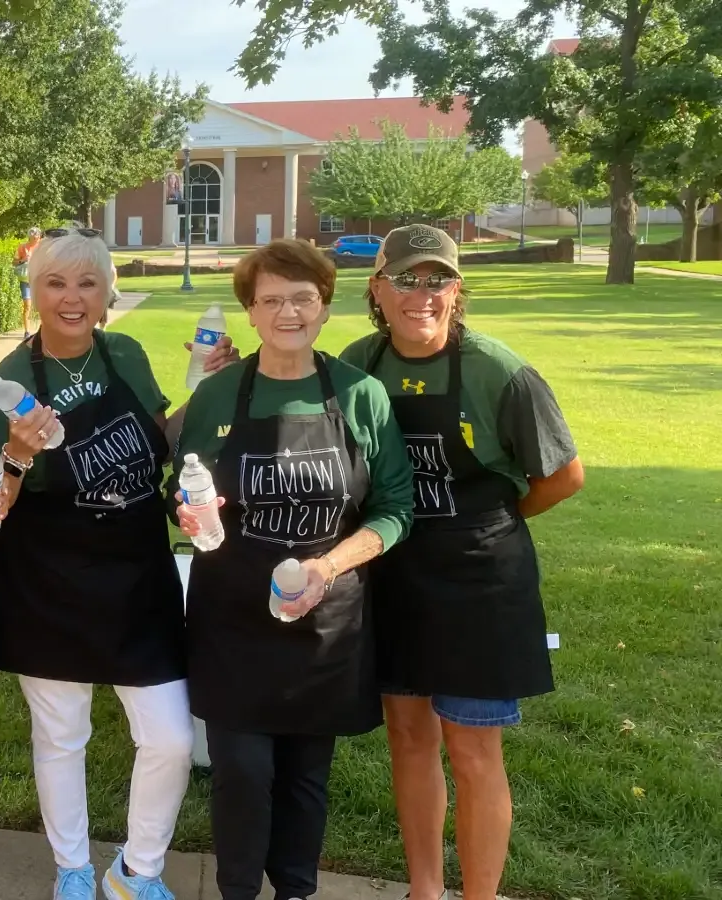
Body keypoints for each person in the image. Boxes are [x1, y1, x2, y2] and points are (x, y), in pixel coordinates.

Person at [343, 226, 583, 900]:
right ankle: (425, 890)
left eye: (437, 279)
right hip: (392, 579)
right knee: (408, 738)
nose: (422, 294)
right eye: (405, 279)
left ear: (457, 291)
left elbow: (564, 476)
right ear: (377, 289)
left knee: (474, 751)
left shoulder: (496, 369)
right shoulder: (358, 364)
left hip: (481, 583)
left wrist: (490, 525)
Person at [172, 239, 413, 900]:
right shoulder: (220, 395)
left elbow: (395, 508)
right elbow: (185, 493)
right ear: (250, 311)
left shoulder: (360, 395)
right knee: (243, 771)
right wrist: (191, 515)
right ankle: (240, 891)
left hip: (327, 619)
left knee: (308, 774)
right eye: (271, 299)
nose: (287, 311)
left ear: (325, 307)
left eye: (302, 297)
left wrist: (328, 567)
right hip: (232, 619)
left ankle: (297, 891)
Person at [0, 227, 193, 900]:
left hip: (137, 571)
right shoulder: (5, 384)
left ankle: (138, 869)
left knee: (170, 738)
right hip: (49, 575)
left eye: (87, 284)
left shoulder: (123, 351)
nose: (72, 298)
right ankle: (71, 867)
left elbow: (161, 439)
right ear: (34, 291)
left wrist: (209, 390)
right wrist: (15, 452)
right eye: (57, 283)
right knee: (62, 733)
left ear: (106, 294)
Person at [14, 227, 42, 338]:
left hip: (39, 281)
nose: (37, 239)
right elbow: (14, 262)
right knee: (27, 306)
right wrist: (22, 260)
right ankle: (26, 332)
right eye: (35, 237)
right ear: (30, 237)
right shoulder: (22, 247)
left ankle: (43, 330)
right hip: (26, 280)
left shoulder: (42, 247)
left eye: (38, 237)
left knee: (42, 306)